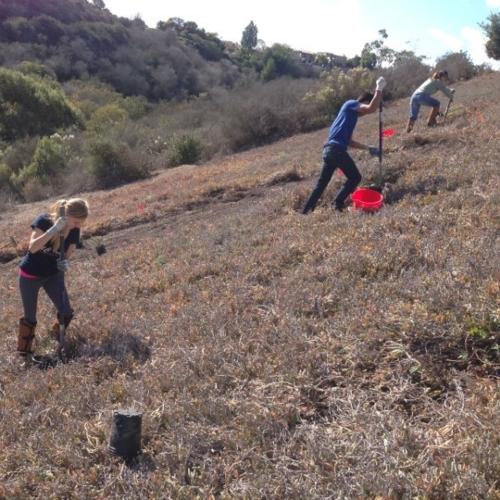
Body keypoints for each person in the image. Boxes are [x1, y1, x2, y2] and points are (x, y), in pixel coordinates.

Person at [302, 76, 387, 214]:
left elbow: (349, 142)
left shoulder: (349, 116)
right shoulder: (351, 104)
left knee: (321, 185)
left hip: (329, 150)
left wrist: (368, 148)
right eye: (364, 108)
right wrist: (379, 88)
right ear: (364, 101)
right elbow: (371, 108)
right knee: (355, 178)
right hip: (336, 150)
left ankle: (305, 211)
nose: (364, 114)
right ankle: (337, 203)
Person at [17, 198, 89, 358]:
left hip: (52, 276)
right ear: (67, 215)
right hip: (30, 275)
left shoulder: (75, 231)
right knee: (30, 318)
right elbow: (33, 247)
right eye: (76, 222)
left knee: (66, 312)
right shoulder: (44, 221)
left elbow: (67, 255)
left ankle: (55, 335)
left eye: (81, 224)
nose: (78, 226)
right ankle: (24, 353)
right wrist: (55, 230)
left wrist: (64, 263)